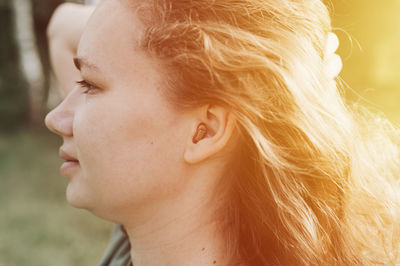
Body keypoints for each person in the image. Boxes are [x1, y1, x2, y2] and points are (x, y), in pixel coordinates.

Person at [45, 0, 400, 265]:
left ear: (204, 132)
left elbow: (64, 27)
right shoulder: (153, 227)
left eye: (90, 85)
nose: (56, 119)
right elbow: (64, 29)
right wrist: (283, 61)